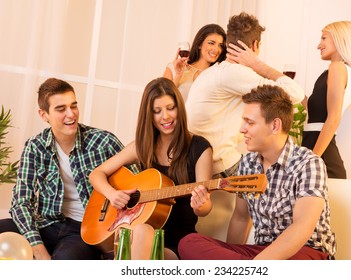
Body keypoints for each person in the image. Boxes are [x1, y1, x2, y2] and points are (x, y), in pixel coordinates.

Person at [178, 84, 336, 260]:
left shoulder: (308, 163)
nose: (242, 128)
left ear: (275, 125)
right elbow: (240, 218)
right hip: (259, 251)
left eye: (250, 122)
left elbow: (302, 227)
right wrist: (234, 255)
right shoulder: (247, 163)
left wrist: (257, 266)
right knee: (189, 243)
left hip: (305, 252)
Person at [0, 77, 125, 260]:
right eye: (61, 109)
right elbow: (21, 201)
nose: (71, 114)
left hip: (81, 231)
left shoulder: (104, 142)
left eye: (73, 106)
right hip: (45, 224)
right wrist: (37, 247)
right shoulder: (35, 146)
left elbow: (138, 184)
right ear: (44, 115)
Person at [88, 77, 213, 259]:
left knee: (139, 233)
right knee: (139, 231)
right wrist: (112, 194)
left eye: (171, 108)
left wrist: (201, 204)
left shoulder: (200, 148)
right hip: (140, 232)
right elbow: (96, 174)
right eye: (157, 111)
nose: (166, 117)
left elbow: (205, 208)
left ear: (179, 107)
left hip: (177, 243)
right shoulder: (143, 146)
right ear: (149, 115)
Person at [185, 12, 305, 178]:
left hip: (198, 160)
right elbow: (296, 93)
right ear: (255, 45)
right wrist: (257, 64)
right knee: (282, 178)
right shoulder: (234, 73)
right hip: (217, 163)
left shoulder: (214, 72)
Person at [301, 21, 351, 179]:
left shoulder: (337, 68)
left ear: (340, 39)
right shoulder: (343, 71)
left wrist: (311, 161)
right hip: (319, 152)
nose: (318, 45)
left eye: (323, 38)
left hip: (321, 157)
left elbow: (333, 119)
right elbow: (316, 112)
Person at [163, 23, 226, 102]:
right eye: (211, 43)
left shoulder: (218, 75)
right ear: (199, 44)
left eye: (220, 45)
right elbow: (162, 100)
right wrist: (178, 76)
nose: (216, 49)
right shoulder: (173, 68)